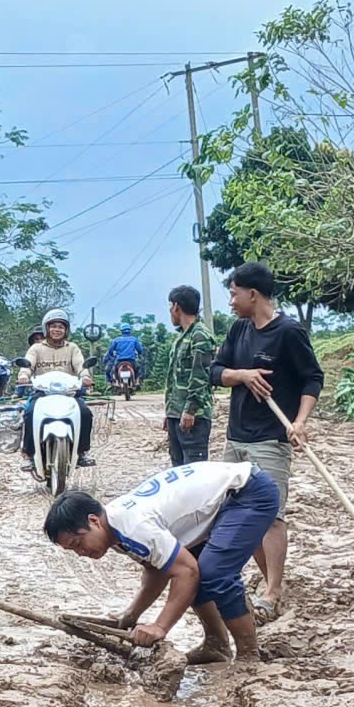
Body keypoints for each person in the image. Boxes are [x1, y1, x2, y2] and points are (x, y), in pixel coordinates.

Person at [42, 460, 282, 664]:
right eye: (72, 550)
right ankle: (217, 645)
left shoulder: (132, 525)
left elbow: (186, 572)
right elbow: (158, 568)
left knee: (213, 573)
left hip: (247, 492)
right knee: (195, 569)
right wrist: (131, 616)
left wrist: (160, 627)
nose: (81, 553)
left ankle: (249, 654)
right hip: (222, 501)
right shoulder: (114, 528)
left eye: (77, 543)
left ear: (94, 521)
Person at [210, 262, 322, 619]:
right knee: (237, 512)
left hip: (271, 439)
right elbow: (215, 372)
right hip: (236, 438)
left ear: (252, 294)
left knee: (271, 516)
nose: (230, 300)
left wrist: (300, 422)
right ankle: (268, 579)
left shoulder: (288, 332)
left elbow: (312, 379)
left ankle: (272, 592)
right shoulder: (239, 329)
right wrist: (242, 375)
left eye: (233, 293)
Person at [20, 309, 96, 466]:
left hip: (68, 394)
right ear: (46, 328)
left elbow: (80, 365)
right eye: (53, 326)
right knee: (29, 413)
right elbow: (28, 364)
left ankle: (81, 452)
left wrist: (85, 376)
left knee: (85, 413)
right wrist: (23, 375)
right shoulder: (36, 348)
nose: (57, 330)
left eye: (61, 327)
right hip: (42, 393)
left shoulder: (72, 348)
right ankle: (29, 454)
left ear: (66, 330)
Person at [160, 285, 218, 467]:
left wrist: (190, 410)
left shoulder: (200, 336)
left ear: (176, 306)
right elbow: (175, 380)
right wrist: (170, 413)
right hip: (177, 414)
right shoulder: (182, 337)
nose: (170, 310)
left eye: (171, 306)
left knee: (194, 472)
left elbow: (200, 377)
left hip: (194, 417)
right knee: (178, 471)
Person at [102, 326, 146, 393]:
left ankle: (116, 382)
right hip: (131, 360)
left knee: (114, 370)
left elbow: (110, 350)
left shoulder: (116, 340)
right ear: (130, 331)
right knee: (138, 369)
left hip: (120, 360)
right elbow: (140, 350)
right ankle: (137, 382)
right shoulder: (134, 339)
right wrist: (139, 353)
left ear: (122, 331)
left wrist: (112, 355)